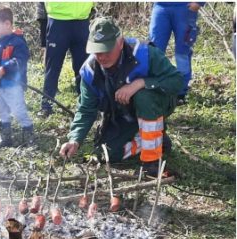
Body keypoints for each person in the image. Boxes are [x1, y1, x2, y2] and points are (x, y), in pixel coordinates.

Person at [59, 17, 184, 179]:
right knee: (108, 154)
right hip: (123, 113)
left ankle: (151, 162)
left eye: (106, 50)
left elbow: (176, 81)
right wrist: (74, 139)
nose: (102, 57)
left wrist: (141, 83)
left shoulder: (145, 53)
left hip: (156, 103)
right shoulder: (89, 72)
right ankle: (157, 137)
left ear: (120, 42)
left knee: (143, 96)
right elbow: (85, 109)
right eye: (97, 51)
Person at [0, 5, 33, 149]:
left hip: (13, 85)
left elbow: (19, 61)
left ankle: (29, 138)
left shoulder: (18, 42)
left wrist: (4, 69)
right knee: (1, 110)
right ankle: (5, 138)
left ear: (7, 24)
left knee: (18, 110)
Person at [40, 2, 94, 116]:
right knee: (52, 68)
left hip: (82, 20)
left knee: (83, 68)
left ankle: (86, 105)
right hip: (57, 20)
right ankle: (46, 106)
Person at [150, 2, 203, 103]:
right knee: (155, 50)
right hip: (160, 6)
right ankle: (154, 87)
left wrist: (199, 2)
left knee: (182, 53)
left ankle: (180, 93)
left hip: (184, 7)